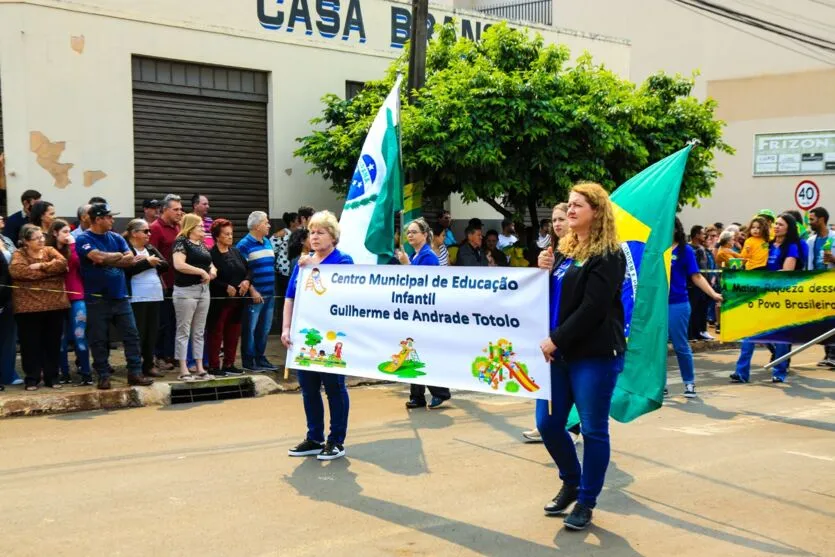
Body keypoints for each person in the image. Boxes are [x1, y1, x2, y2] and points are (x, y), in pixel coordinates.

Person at [535, 183, 625, 531]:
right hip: (559, 354)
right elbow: (551, 298)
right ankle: (571, 480)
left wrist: (555, 339)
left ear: (597, 212)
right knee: (547, 424)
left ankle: (586, 501)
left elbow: (592, 307)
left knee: (593, 430)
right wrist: (542, 272)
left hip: (594, 355)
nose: (570, 211)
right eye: (569, 205)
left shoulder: (610, 254)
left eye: (577, 206)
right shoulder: (564, 250)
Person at [282, 210, 354, 461]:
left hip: (333, 336)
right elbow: (290, 297)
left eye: (320, 232)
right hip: (306, 336)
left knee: (334, 387)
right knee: (309, 388)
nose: (314, 237)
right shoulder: (302, 263)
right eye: (312, 232)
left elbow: (343, 294)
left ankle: (336, 440)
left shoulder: (343, 261)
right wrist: (286, 328)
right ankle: (314, 437)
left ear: (332, 237)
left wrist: (316, 268)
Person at [76, 204, 153, 390]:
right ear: (97, 219)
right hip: (96, 298)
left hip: (120, 296)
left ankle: (135, 372)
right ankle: (103, 374)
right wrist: (116, 257)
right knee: (99, 339)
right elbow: (97, 257)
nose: (113, 220)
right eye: (109, 217)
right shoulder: (84, 238)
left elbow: (129, 260)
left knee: (131, 335)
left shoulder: (116, 237)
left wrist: (111, 258)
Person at [524, 203, 581, 445]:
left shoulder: (583, 254)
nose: (557, 224)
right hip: (551, 331)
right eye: (554, 220)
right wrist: (542, 271)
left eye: (562, 219)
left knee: (574, 386)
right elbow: (545, 292)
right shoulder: (555, 254)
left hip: (572, 336)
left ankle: (574, 427)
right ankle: (545, 423)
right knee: (545, 378)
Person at [731, 213, 801, 384]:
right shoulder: (766, 244)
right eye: (775, 224)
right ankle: (741, 372)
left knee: (781, 336)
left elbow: (787, 270)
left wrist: (763, 277)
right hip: (760, 294)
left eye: (781, 225)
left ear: (789, 228)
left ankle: (779, 372)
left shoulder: (791, 247)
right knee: (750, 333)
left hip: (781, 296)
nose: (776, 227)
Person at [397, 218, 453, 410]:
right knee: (412, 351)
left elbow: (425, 284)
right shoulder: (416, 255)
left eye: (414, 232)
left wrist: (406, 266)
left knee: (422, 352)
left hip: (425, 312)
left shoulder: (428, 256)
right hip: (414, 312)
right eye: (408, 232)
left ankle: (440, 392)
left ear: (424, 235)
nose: (410, 235)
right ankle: (417, 395)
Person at [9, 224, 69, 390]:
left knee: (52, 342)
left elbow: (63, 264)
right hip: (28, 307)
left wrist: (41, 266)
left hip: (55, 305)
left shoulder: (49, 250)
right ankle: (32, 378)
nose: (42, 240)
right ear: (26, 241)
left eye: (42, 237)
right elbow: (18, 272)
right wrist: (51, 276)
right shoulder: (18, 254)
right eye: (37, 238)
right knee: (30, 344)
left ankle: (52, 377)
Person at [668, 218, 722, 398]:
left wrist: (713, 294)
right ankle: (660, 385)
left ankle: (689, 383)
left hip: (677, 304)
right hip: (656, 305)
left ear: (677, 229)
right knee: (657, 347)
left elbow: (696, 276)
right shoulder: (654, 249)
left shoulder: (685, 251)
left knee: (680, 345)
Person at [172, 214, 216, 381]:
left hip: (203, 290)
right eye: (199, 226)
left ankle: (200, 367)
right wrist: (201, 272)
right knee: (184, 330)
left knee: (199, 331)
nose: (203, 229)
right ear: (190, 227)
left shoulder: (202, 245)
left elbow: (211, 264)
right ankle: (183, 369)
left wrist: (211, 272)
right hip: (186, 291)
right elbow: (179, 264)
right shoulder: (181, 242)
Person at [46, 219, 91, 384]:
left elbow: (80, 265)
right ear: (54, 233)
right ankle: (64, 374)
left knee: (80, 336)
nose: (68, 235)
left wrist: (72, 245)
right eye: (64, 232)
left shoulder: (74, 246)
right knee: (60, 340)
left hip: (76, 296)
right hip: (56, 298)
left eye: (69, 231)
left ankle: (86, 373)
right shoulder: (48, 250)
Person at [124, 219, 169, 379]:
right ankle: (136, 366)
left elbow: (165, 264)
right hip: (137, 297)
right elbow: (127, 270)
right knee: (139, 333)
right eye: (145, 231)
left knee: (152, 332)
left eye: (149, 231)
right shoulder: (127, 249)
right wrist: (147, 262)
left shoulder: (150, 248)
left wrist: (150, 262)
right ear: (134, 233)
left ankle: (149, 365)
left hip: (154, 295)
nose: (149, 234)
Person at [207, 218, 251, 376]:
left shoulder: (236, 252)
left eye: (231, 234)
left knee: (233, 333)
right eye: (226, 234)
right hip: (219, 301)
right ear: (217, 236)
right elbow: (210, 278)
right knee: (216, 333)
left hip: (238, 300)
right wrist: (225, 287)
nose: (230, 237)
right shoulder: (211, 254)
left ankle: (229, 363)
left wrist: (246, 280)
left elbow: (247, 269)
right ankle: (213, 365)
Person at [237, 211, 277, 372]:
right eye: (266, 222)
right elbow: (242, 271)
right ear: (257, 225)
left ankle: (260, 357)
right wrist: (252, 290)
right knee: (250, 328)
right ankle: (249, 360)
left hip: (270, 293)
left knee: (264, 329)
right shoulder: (244, 245)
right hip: (255, 294)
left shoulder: (267, 241)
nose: (269, 225)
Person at [150, 194, 183, 370]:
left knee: (175, 322)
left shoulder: (179, 227)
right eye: (175, 209)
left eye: (180, 209)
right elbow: (150, 255)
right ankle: (159, 355)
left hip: (180, 282)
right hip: (163, 284)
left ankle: (172, 355)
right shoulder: (155, 228)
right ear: (164, 210)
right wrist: (160, 281)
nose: (180, 212)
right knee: (162, 322)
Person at [806, 207, 835, 368]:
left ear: (822, 219)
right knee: (822, 321)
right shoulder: (811, 240)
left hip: (832, 284)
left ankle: (833, 354)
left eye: (812, 219)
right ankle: (828, 353)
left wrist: (833, 258)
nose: (810, 223)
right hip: (817, 286)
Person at [272, 211, 301, 326]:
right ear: (292, 222)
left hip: (292, 270)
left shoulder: (298, 234)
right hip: (284, 271)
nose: (299, 222)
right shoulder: (283, 233)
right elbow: (272, 246)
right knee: (285, 298)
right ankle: (284, 325)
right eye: (297, 220)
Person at [687, 225, 711, 340]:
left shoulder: (702, 249)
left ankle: (701, 332)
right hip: (692, 285)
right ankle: (691, 334)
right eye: (702, 233)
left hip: (703, 284)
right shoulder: (688, 248)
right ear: (696, 235)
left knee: (702, 309)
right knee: (693, 309)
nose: (704, 236)